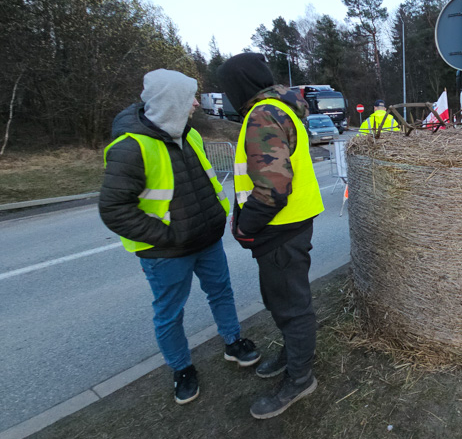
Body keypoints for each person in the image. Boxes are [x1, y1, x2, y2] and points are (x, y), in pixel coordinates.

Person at [99, 69, 260, 406]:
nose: (197, 104)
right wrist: (167, 236)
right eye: (190, 97)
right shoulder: (129, 148)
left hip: (207, 240)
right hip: (165, 253)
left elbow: (208, 180)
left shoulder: (191, 135)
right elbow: (114, 210)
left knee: (221, 291)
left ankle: (233, 342)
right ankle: (181, 368)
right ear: (171, 101)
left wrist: (218, 214)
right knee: (170, 313)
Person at [218, 53, 325, 419]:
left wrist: (246, 227)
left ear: (240, 86)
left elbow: (273, 187)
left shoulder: (263, 115)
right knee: (282, 299)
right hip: (291, 223)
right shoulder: (283, 108)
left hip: (280, 229)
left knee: (291, 307)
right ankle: (295, 355)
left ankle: (300, 378)